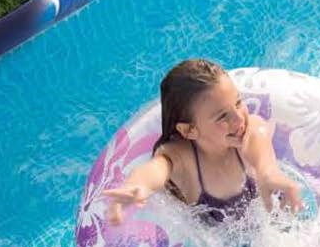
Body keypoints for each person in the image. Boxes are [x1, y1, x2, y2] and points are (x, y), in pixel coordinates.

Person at [104, 59, 303, 227]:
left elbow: (265, 162)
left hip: (272, 223)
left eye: (238, 103)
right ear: (189, 130)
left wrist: (269, 175)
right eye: (222, 116)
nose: (238, 119)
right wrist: (137, 186)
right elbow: (156, 169)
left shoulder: (252, 131)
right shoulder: (182, 158)